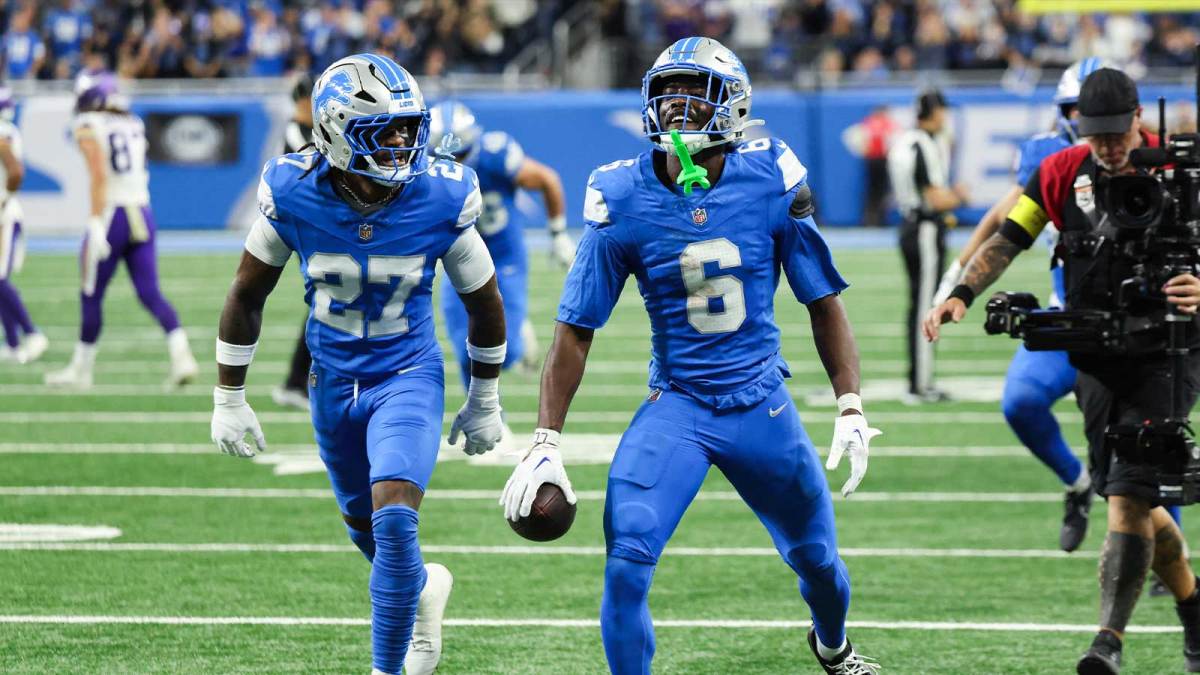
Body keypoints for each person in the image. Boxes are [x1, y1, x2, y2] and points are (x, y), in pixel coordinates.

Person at [500, 37, 881, 675]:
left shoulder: (770, 176)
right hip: (677, 404)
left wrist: (849, 403)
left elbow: (823, 300)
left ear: (731, 106)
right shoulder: (621, 193)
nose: (676, 109)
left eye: (693, 94)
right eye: (667, 94)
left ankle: (833, 648)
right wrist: (545, 437)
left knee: (819, 563)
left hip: (762, 404)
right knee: (625, 562)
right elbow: (574, 329)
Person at [209, 53, 507, 675]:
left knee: (394, 515)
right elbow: (245, 294)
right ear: (337, 131)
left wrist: (484, 398)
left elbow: (484, 300)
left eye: (409, 127)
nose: (403, 143)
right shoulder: (294, 191)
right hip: (331, 381)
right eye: (386, 131)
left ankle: (385, 668)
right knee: (364, 527)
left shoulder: (440, 195)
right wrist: (228, 396)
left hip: (408, 375)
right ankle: (422, 592)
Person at [925, 68, 1200, 674]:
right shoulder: (1057, 172)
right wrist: (962, 293)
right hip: (1095, 349)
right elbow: (1008, 236)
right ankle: (1194, 606)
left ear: (1138, 118)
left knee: (1128, 495)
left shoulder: (1180, 170)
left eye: (1115, 133)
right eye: (1093, 133)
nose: (1106, 146)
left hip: (1166, 352)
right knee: (1132, 496)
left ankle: (1108, 642)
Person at [931, 58, 1109, 553]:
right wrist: (959, 280)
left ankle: (1169, 547)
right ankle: (1077, 484)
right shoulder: (1049, 159)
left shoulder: (1151, 159)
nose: (1088, 119)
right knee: (1021, 401)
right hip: (1066, 312)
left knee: (1139, 435)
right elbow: (1006, 220)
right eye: (1077, 107)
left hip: (1131, 319)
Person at [45, 70, 197, 389]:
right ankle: (182, 355)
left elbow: (99, 174)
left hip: (112, 214)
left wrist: (96, 222)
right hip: (142, 211)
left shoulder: (88, 124)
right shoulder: (133, 122)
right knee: (149, 292)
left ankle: (81, 370)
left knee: (91, 292)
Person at [427, 100, 576, 396]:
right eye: (447, 156)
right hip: (459, 258)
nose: (455, 163)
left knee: (506, 355)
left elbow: (548, 180)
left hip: (504, 257)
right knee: (465, 347)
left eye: (461, 154)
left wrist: (558, 234)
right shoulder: (423, 166)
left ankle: (520, 331)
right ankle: (488, 419)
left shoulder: (495, 155)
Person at [887, 88, 969, 403]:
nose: (945, 117)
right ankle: (920, 383)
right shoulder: (924, 144)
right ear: (933, 113)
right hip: (923, 228)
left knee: (920, 303)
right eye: (942, 111)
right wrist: (960, 195)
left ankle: (920, 379)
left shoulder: (906, 141)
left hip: (910, 225)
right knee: (926, 306)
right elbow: (936, 198)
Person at [271, 72, 316, 411]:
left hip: (315, 224)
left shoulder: (311, 130)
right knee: (325, 303)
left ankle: (298, 380)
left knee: (326, 303)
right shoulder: (294, 132)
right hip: (303, 226)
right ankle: (295, 381)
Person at [0, 87, 48, 364]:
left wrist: (4, 201)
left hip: (5, 215)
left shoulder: (3, 132)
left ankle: (31, 334)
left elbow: (16, 171)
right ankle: (14, 342)